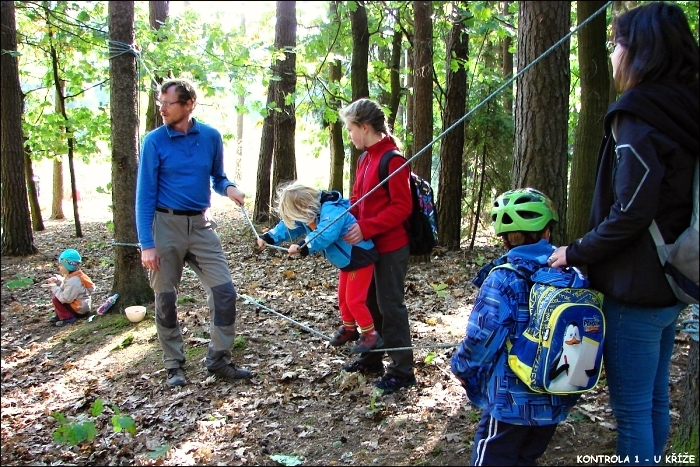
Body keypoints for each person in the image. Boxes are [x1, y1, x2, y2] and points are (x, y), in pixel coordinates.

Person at [548, 2, 698, 464]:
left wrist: (574, 251)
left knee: (633, 412)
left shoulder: (636, 113)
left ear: (642, 51)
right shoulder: (688, 106)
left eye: (618, 44)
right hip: (676, 277)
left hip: (635, 287)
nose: (612, 54)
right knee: (653, 402)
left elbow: (631, 208)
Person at [451, 188, 582, 466]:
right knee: (526, 458)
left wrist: (461, 368)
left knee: (491, 457)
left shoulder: (504, 277)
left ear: (503, 238)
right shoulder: (571, 273)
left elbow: (482, 337)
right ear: (547, 232)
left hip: (511, 400)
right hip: (557, 393)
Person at [136, 78, 252, 387]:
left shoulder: (211, 137)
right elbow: (144, 194)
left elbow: (217, 177)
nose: (161, 109)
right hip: (165, 227)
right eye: (160, 102)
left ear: (189, 105)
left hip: (201, 226)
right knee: (165, 299)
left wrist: (230, 188)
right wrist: (147, 243)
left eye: (168, 103)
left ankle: (218, 359)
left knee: (225, 292)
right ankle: (173, 363)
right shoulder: (154, 141)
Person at [338, 98, 416, 394]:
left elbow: (402, 207)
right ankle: (371, 358)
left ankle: (401, 370)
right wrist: (342, 221)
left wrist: (366, 227)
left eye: (350, 129)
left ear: (365, 127)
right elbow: (358, 200)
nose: (349, 135)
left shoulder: (392, 160)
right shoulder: (364, 158)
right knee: (367, 302)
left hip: (391, 246)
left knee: (389, 305)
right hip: (366, 247)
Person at [256, 181, 382, 353]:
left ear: (305, 205)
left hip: (359, 257)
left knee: (354, 300)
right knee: (343, 299)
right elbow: (289, 227)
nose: (299, 218)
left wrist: (303, 245)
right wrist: (269, 237)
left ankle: (371, 334)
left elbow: (326, 233)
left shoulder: (331, 209)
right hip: (346, 262)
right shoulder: (309, 215)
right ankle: (350, 328)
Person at [44, 249, 95, 327]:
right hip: (80, 305)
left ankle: (68, 318)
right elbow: (66, 285)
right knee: (57, 295)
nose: (59, 267)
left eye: (61, 265)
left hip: (79, 309)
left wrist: (54, 287)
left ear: (68, 266)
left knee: (56, 298)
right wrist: (57, 280)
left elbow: (66, 298)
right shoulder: (74, 276)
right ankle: (60, 315)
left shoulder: (74, 281)